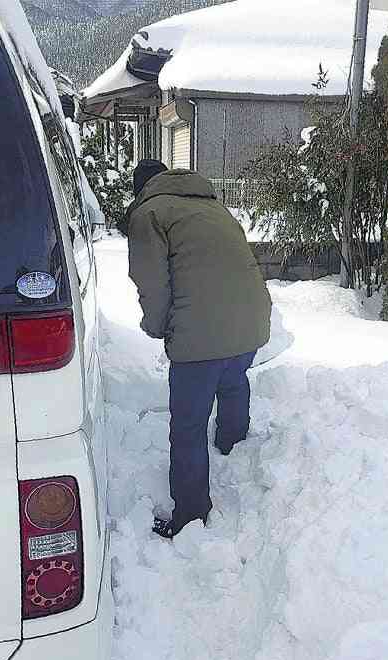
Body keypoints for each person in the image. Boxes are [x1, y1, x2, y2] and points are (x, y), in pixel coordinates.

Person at [127, 159, 272, 539]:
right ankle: (234, 447)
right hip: (252, 322)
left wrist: (157, 327)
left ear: (142, 188)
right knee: (233, 379)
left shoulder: (150, 213)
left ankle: (191, 514)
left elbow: (152, 283)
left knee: (188, 424)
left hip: (201, 335)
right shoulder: (212, 205)